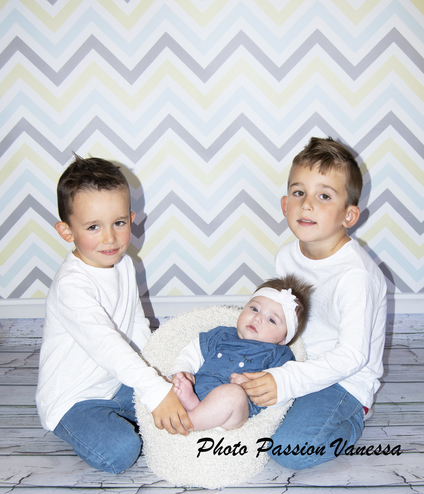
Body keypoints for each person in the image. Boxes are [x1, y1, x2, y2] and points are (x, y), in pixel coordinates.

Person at [237, 137, 387, 470]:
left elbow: (352, 356)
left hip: (344, 379)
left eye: (324, 196)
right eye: (298, 192)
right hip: (298, 360)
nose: (306, 205)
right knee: (230, 389)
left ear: (349, 215)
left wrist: (285, 381)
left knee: (289, 450)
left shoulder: (355, 276)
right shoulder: (287, 256)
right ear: (284, 205)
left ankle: (353, 418)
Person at [36, 155, 192, 473]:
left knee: (185, 393)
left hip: (116, 383)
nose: (109, 237)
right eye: (93, 227)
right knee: (121, 450)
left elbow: (135, 324)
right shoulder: (71, 286)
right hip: (74, 400)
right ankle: (96, 427)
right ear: (67, 231)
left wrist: (159, 372)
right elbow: (107, 345)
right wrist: (154, 391)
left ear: (131, 219)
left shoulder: (124, 264)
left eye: (118, 223)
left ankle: (137, 412)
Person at [171, 275, 312, 431]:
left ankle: (186, 423)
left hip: (232, 411)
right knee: (170, 384)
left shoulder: (278, 354)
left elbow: (283, 390)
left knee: (233, 394)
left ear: (283, 339)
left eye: (271, 320)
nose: (257, 318)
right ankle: (192, 406)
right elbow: (192, 351)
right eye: (254, 309)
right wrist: (183, 372)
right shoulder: (221, 335)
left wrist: (250, 386)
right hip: (198, 390)